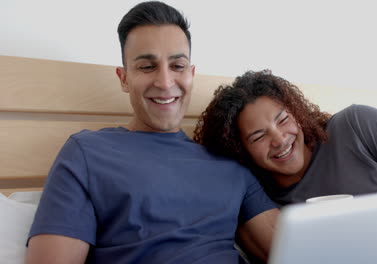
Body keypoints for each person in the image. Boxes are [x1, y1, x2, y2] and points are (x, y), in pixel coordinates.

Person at [26, 2, 278, 263]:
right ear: (124, 79)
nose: (165, 83)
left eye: (178, 66)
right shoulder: (87, 153)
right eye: (147, 67)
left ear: (191, 74)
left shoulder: (229, 165)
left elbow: (299, 248)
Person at [194, 69, 377, 206]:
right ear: (241, 149)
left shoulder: (357, 125)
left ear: (297, 113)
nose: (279, 139)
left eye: (283, 120)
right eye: (258, 136)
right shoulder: (261, 203)